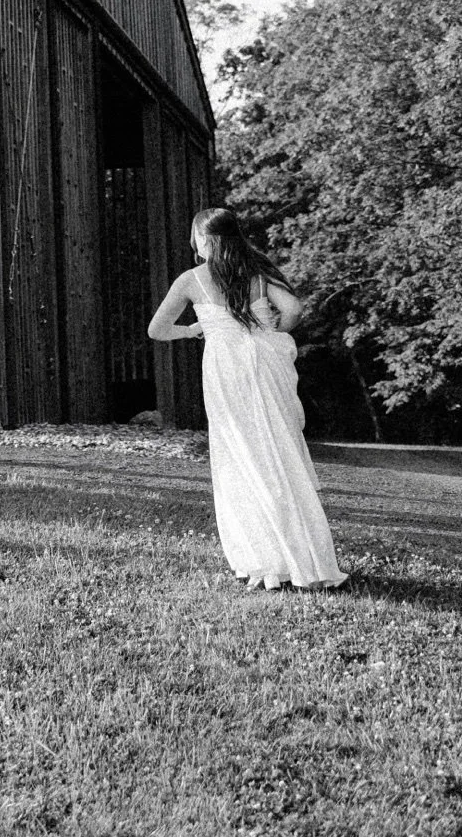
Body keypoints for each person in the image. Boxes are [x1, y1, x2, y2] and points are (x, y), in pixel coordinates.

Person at [148, 208, 347, 591]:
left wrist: (194, 329)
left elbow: (157, 330)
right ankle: (307, 561)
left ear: (203, 240)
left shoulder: (192, 280)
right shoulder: (256, 272)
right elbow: (293, 309)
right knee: (279, 452)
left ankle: (265, 562)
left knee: (241, 455)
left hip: (227, 368)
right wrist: (270, 330)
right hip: (264, 360)